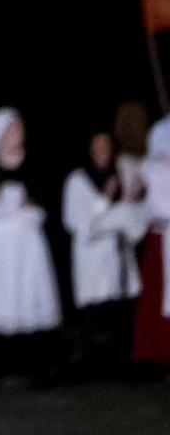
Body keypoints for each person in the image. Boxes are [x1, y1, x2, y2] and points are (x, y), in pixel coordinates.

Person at [0, 107, 60, 384]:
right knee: (2, 296)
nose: (17, 134)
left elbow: (41, 208)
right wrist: (5, 206)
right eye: (11, 130)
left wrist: (18, 208)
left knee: (29, 293)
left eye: (19, 129)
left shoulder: (34, 164)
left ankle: (36, 366)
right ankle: (1, 367)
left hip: (28, 242)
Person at [63, 130, 148, 379]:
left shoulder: (120, 175)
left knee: (120, 310)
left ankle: (121, 364)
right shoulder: (77, 180)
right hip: (92, 259)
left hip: (119, 256)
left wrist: (130, 198)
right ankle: (92, 367)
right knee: (94, 312)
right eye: (97, 148)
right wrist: (105, 201)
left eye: (107, 147)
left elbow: (135, 222)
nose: (102, 154)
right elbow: (80, 223)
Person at [130, 114, 170, 370]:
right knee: (158, 296)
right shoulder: (152, 168)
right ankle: (157, 355)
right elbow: (137, 195)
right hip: (161, 234)